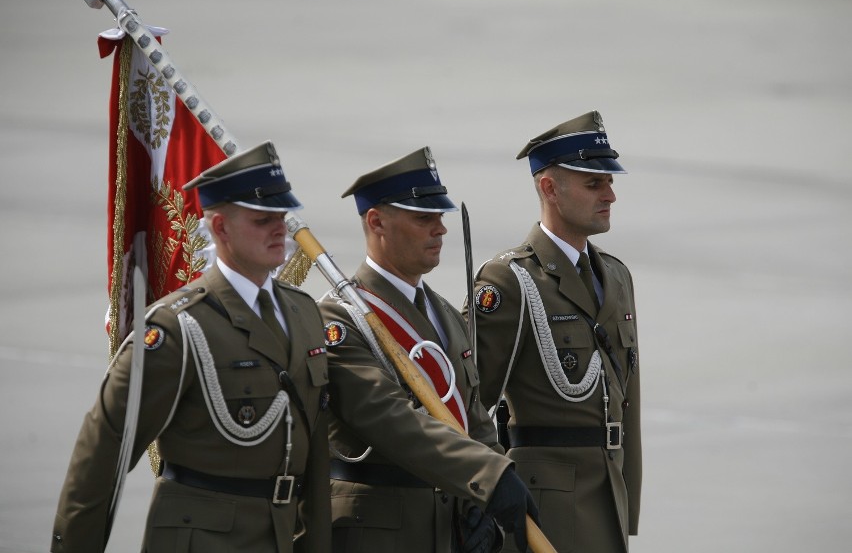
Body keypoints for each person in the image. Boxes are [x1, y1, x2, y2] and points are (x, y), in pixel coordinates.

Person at [51, 141, 331, 553]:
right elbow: (102, 454)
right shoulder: (177, 327)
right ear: (220, 228)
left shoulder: (304, 313)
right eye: (262, 219)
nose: (280, 229)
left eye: (281, 216)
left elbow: (315, 451)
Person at [317, 147, 539, 553]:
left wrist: (486, 493)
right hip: (381, 532)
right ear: (376, 221)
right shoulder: (339, 319)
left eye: (441, 217)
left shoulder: (445, 314)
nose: (441, 229)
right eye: (424, 218)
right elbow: (390, 420)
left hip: (448, 528)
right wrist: (486, 475)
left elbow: (474, 415)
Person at [466, 111, 642, 552]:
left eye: (609, 182)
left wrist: (628, 506)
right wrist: (479, 502)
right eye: (593, 184)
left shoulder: (616, 276)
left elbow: (627, 402)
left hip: (608, 499)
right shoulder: (508, 280)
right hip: (543, 510)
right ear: (549, 187)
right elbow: (469, 407)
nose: (611, 195)